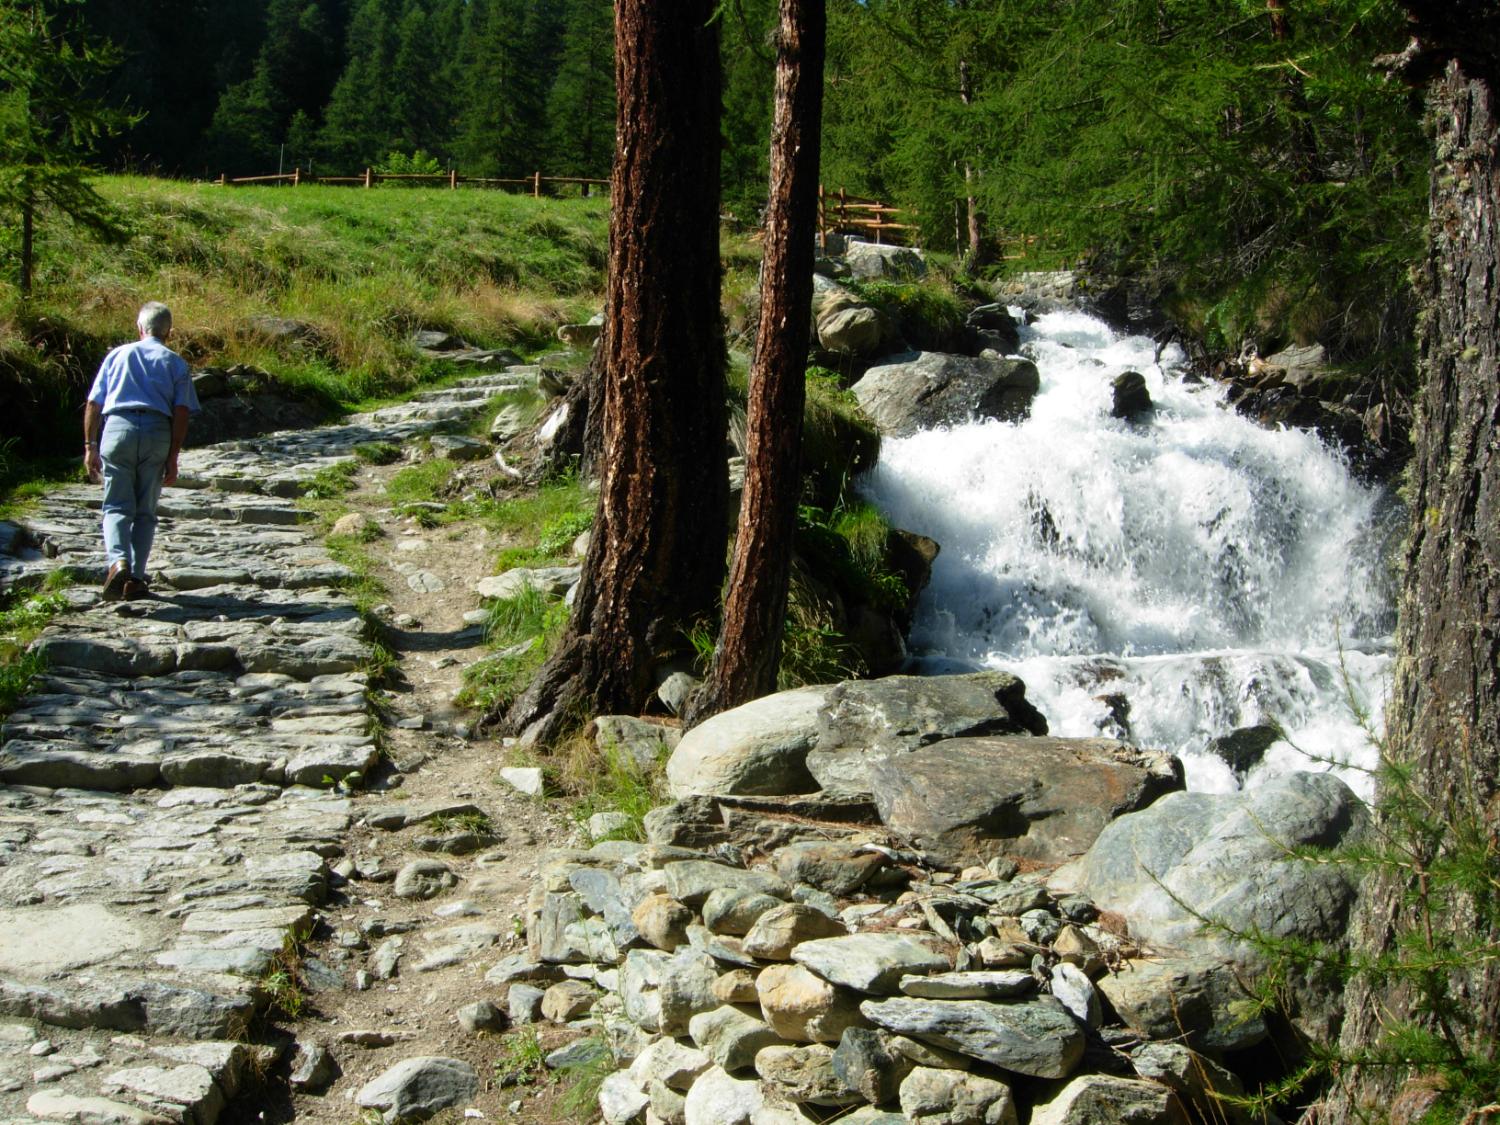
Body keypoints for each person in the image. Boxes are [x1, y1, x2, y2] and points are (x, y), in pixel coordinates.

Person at [82, 301, 200, 601]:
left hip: (118, 428)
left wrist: (90, 445)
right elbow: (182, 411)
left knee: (116, 505)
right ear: (168, 333)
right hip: (157, 431)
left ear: (139, 328)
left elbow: (95, 403)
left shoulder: (117, 355)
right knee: (145, 511)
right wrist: (173, 455)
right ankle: (134, 578)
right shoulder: (176, 363)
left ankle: (118, 561)